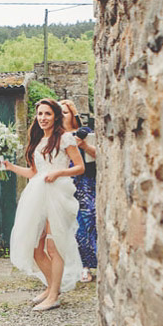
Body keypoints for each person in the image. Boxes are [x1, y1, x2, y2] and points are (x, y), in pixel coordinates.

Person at [0, 99, 85, 311]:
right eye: (40, 114)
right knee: (36, 248)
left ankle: (54, 295)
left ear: (55, 116)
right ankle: (51, 286)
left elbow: (80, 167)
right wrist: (10, 167)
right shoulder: (38, 141)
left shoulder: (65, 139)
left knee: (54, 248)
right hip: (38, 194)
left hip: (58, 194)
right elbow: (33, 173)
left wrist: (59, 172)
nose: (43, 118)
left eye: (47, 114)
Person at [59, 99, 97, 282]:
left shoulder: (84, 133)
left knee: (86, 223)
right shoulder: (55, 136)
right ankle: (67, 265)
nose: (61, 115)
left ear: (73, 115)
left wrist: (84, 145)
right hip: (63, 184)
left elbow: (99, 154)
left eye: (65, 112)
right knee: (65, 224)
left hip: (85, 184)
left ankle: (86, 266)